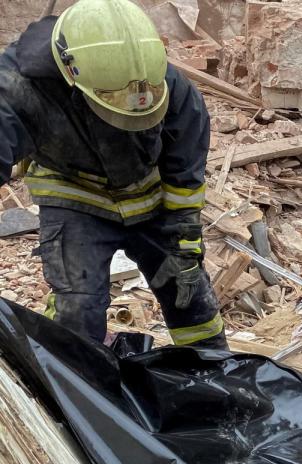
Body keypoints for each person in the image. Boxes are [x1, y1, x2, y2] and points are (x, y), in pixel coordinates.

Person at [0, 0, 225, 349]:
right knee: (78, 309)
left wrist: (185, 238)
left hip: (152, 201)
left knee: (190, 297)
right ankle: (75, 387)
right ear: (71, 73)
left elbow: (185, 175)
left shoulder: (164, 82)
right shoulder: (17, 86)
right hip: (75, 196)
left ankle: (215, 371)